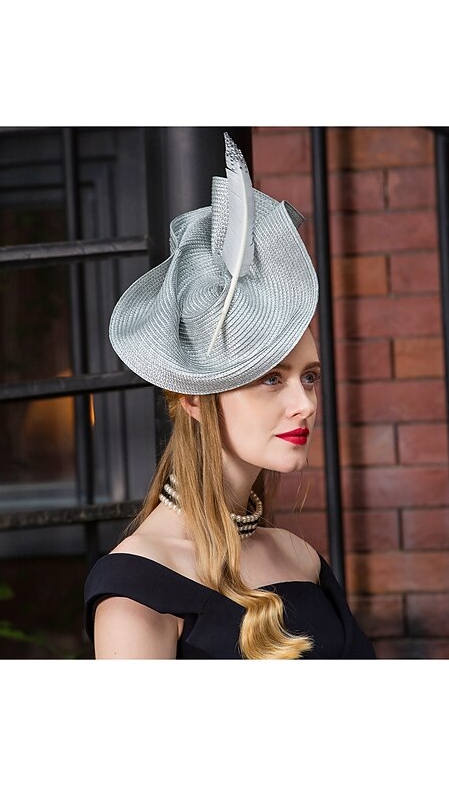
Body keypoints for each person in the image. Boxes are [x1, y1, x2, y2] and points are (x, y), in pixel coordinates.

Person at [84, 134, 376, 659]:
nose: (306, 404)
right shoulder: (136, 589)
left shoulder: (300, 559)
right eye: (271, 379)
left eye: (310, 377)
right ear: (195, 399)